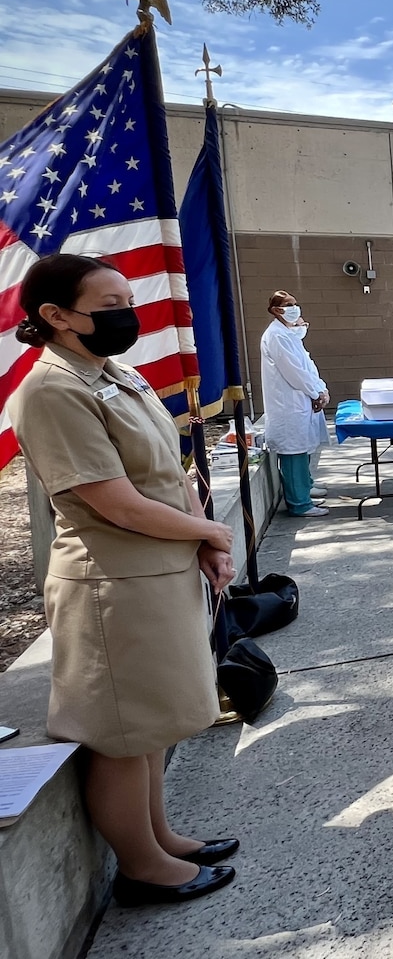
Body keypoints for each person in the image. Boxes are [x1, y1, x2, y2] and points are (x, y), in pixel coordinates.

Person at [10, 254, 239, 907]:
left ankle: (161, 835)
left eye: (125, 299)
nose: (126, 314)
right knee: (120, 731)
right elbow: (114, 501)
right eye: (108, 303)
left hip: (159, 571)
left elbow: (168, 470)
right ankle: (142, 865)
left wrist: (204, 536)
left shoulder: (115, 372)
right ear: (55, 316)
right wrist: (208, 535)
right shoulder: (53, 389)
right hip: (113, 583)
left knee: (153, 722)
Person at [260, 290, 330, 517]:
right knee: (294, 452)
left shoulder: (287, 333)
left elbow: (305, 361)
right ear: (276, 310)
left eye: (295, 304)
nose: (294, 308)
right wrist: (315, 392)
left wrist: (320, 389)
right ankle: (299, 503)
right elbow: (295, 371)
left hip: (300, 401)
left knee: (303, 447)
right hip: (288, 405)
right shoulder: (277, 336)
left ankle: (305, 488)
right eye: (289, 305)